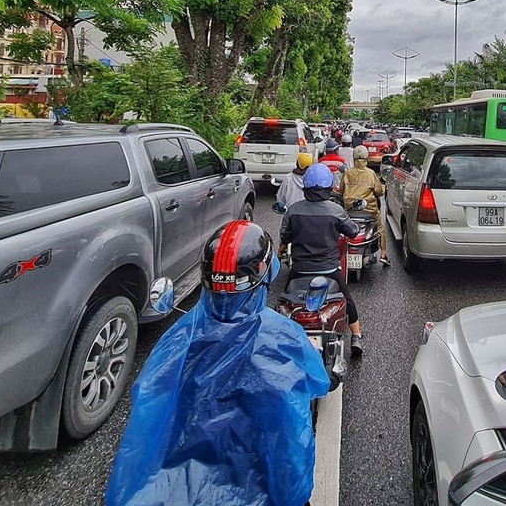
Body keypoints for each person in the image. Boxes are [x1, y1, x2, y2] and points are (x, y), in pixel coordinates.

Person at [105, 220, 330, 506]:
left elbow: (148, 411)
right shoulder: (284, 338)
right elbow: (291, 435)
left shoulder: (178, 336)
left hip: (169, 488)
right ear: (265, 274)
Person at [279, 163, 365, 355]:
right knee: (347, 299)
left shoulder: (293, 210)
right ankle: (356, 337)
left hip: (299, 269)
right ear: (328, 188)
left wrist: (280, 251)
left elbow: (284, 236)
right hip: (329, 270)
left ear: (306, 187)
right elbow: (352, 231)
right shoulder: (335, 210)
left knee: (285, 303)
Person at [340, 144, 390, 267]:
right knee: (380, 228)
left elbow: (341, 190)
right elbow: (379, 192)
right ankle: (383, 254)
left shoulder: (347, 173)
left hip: (350, 210)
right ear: (366, 158)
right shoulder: (371, 173)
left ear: (354, 158)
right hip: (369, 211)